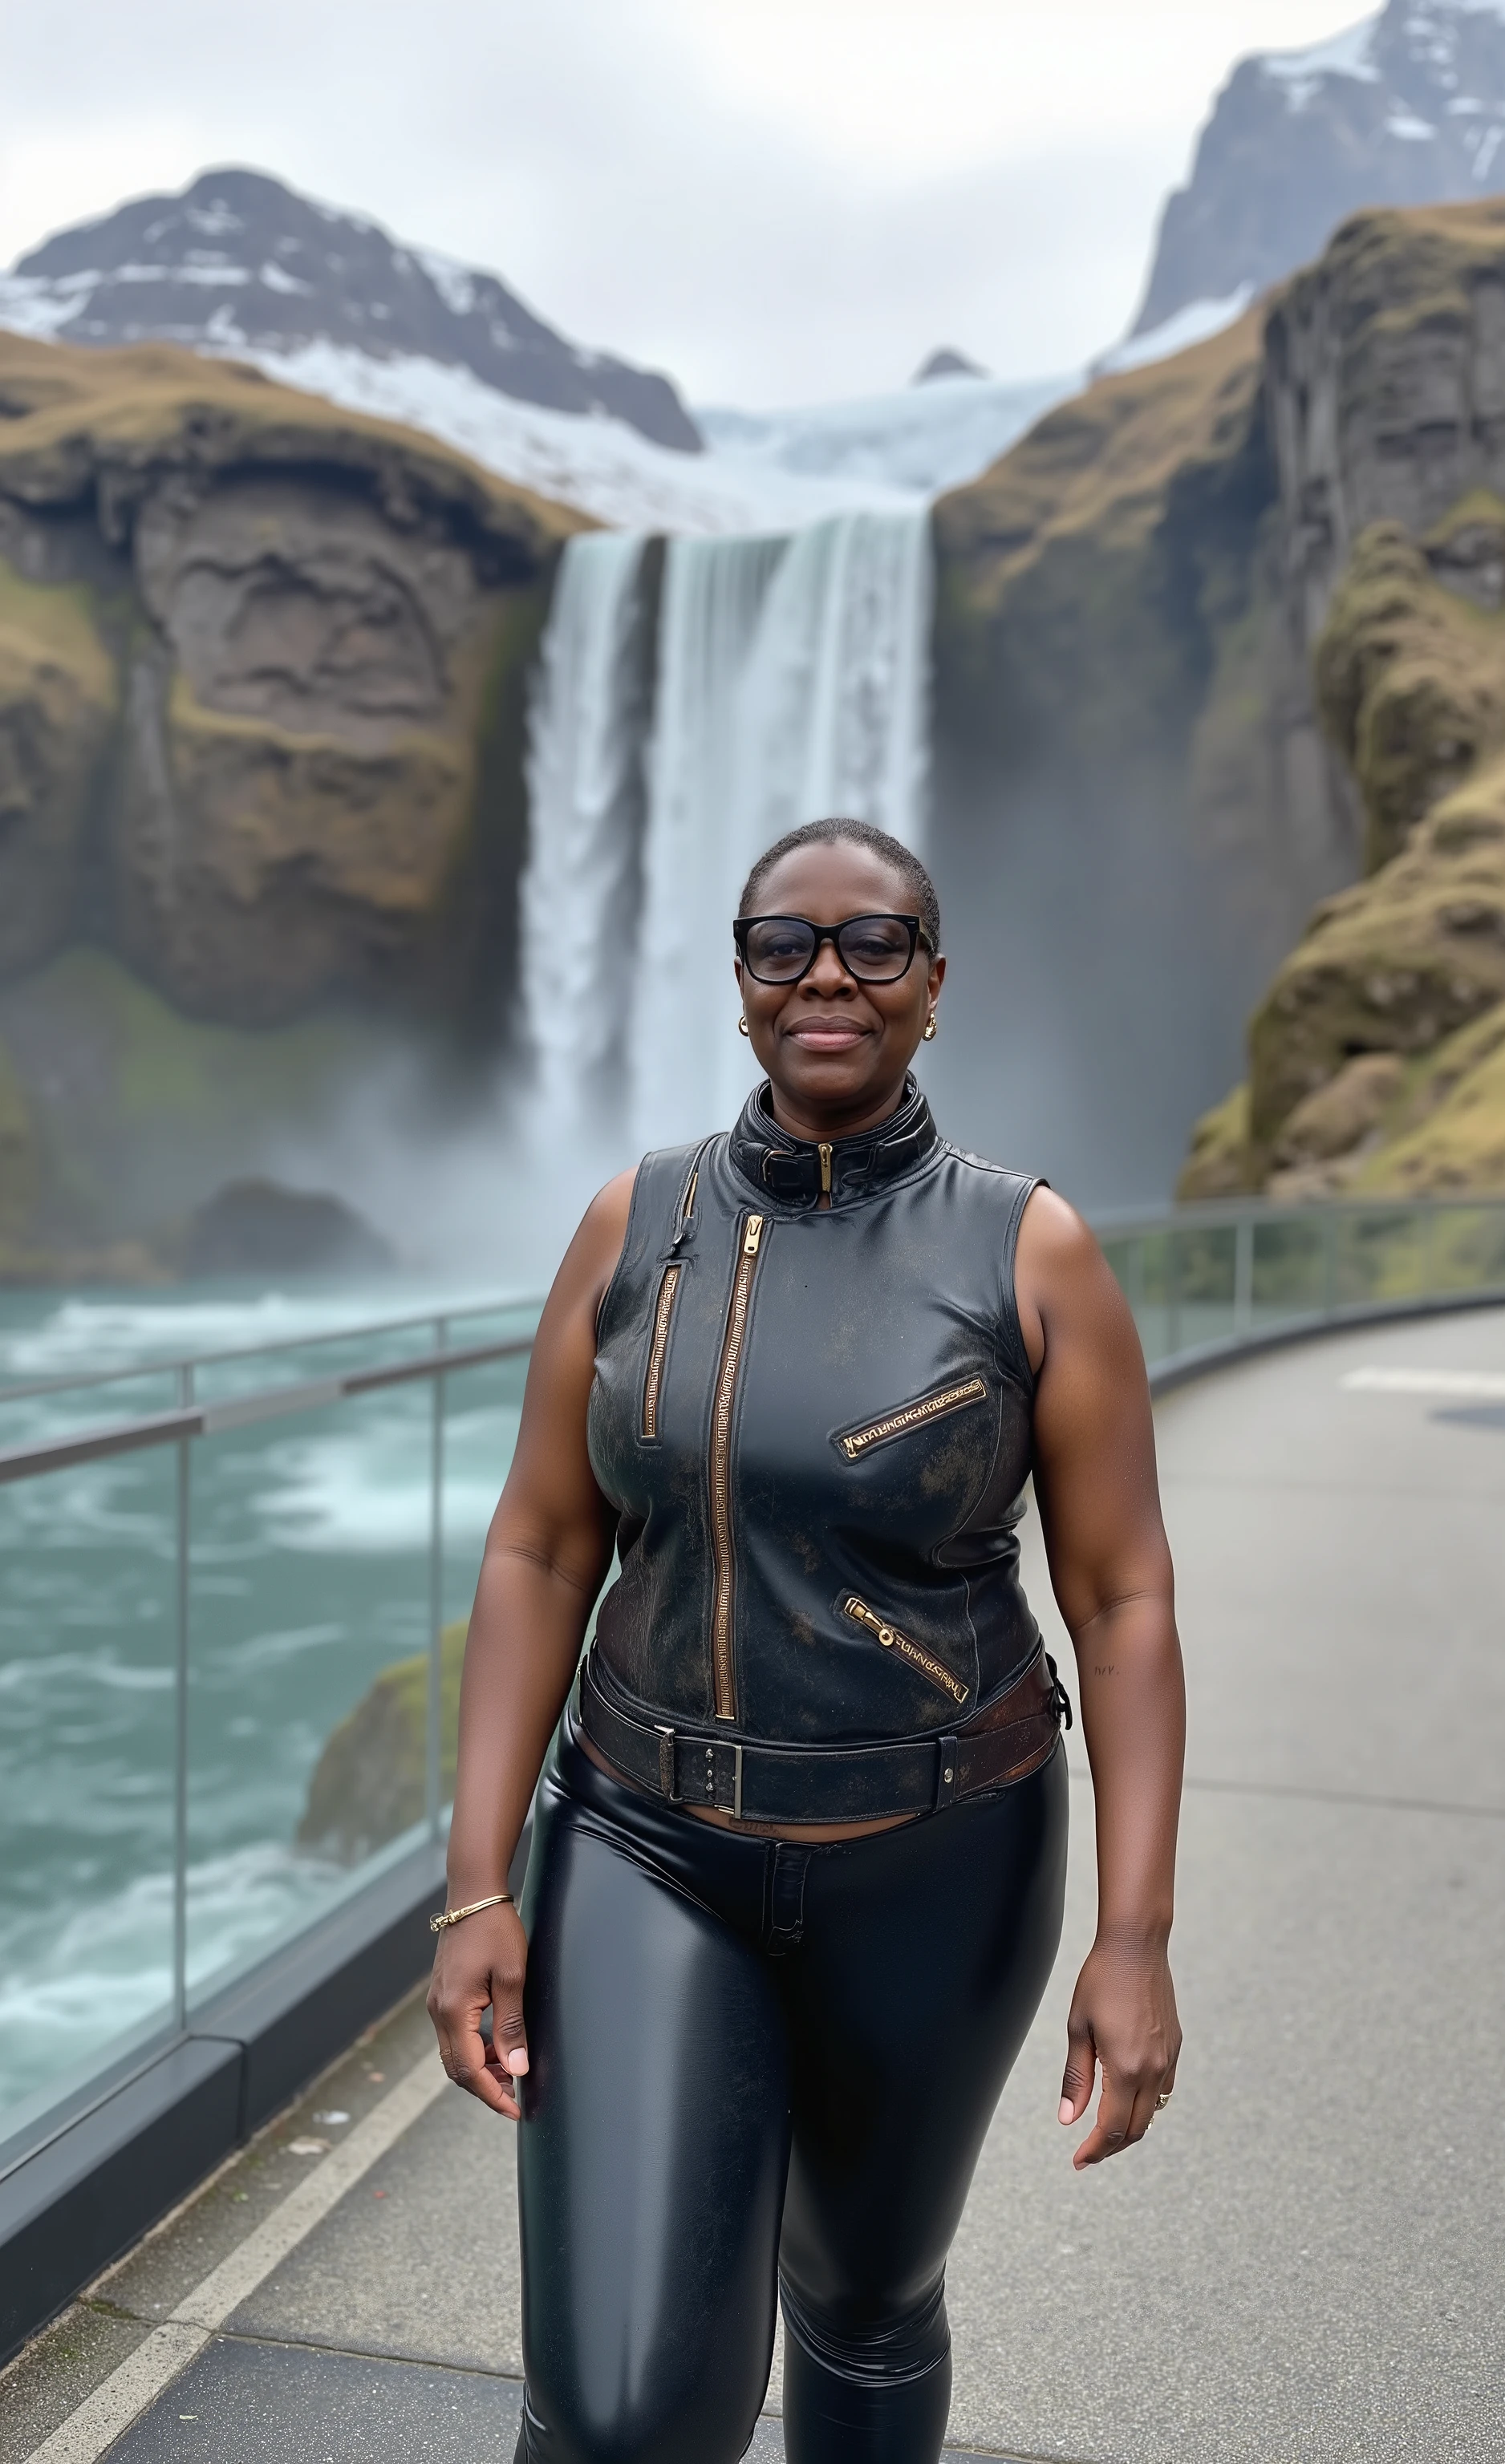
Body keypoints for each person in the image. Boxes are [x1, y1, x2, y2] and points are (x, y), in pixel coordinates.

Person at [428, 819, 1185, 2464]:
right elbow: (542, 1543)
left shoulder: (1027, 1247)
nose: (827, 974)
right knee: (625, 2412)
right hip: (644, 1845)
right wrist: (479, 1884)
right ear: (739, 977)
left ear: (933, 986)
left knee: (859, 2305)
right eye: (785, 944)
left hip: (941, 1862)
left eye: (874, 944)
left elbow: (1121, 1598)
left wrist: (1132, 1939)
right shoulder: (632, 1225)